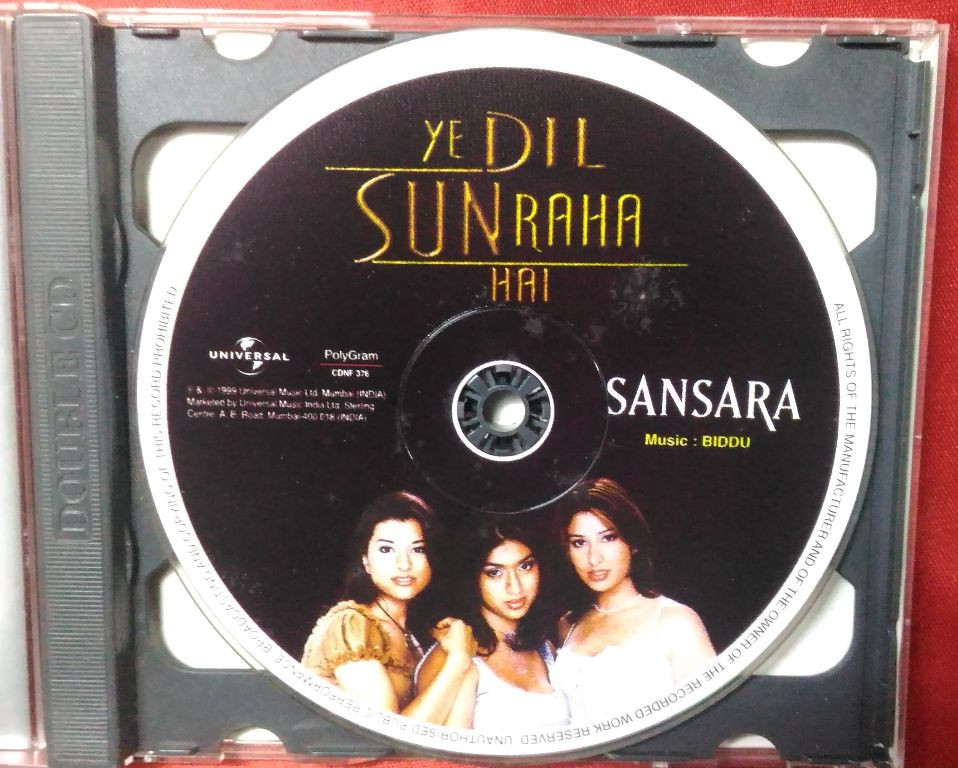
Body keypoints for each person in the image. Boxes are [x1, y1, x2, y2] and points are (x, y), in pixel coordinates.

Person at [301, 491, 477, 724]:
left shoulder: (411, 633)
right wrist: (458, 662)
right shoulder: (350, 625)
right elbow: (389, 734)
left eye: (417, 549)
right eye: (386, 549)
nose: (404, 564)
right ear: (365, 560)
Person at [551, 478, 715, 722]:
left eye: (608, 538)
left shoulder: (676, 622)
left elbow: (709, 722)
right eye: (579, 543)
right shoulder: (568, 625)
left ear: (633, 542)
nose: (594, 558)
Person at [418, 521, 569, 730]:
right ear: (472, 579)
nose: (515, 587)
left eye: (525, 566)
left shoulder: (545, 649)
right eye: (494, 573)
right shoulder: (451, 655)